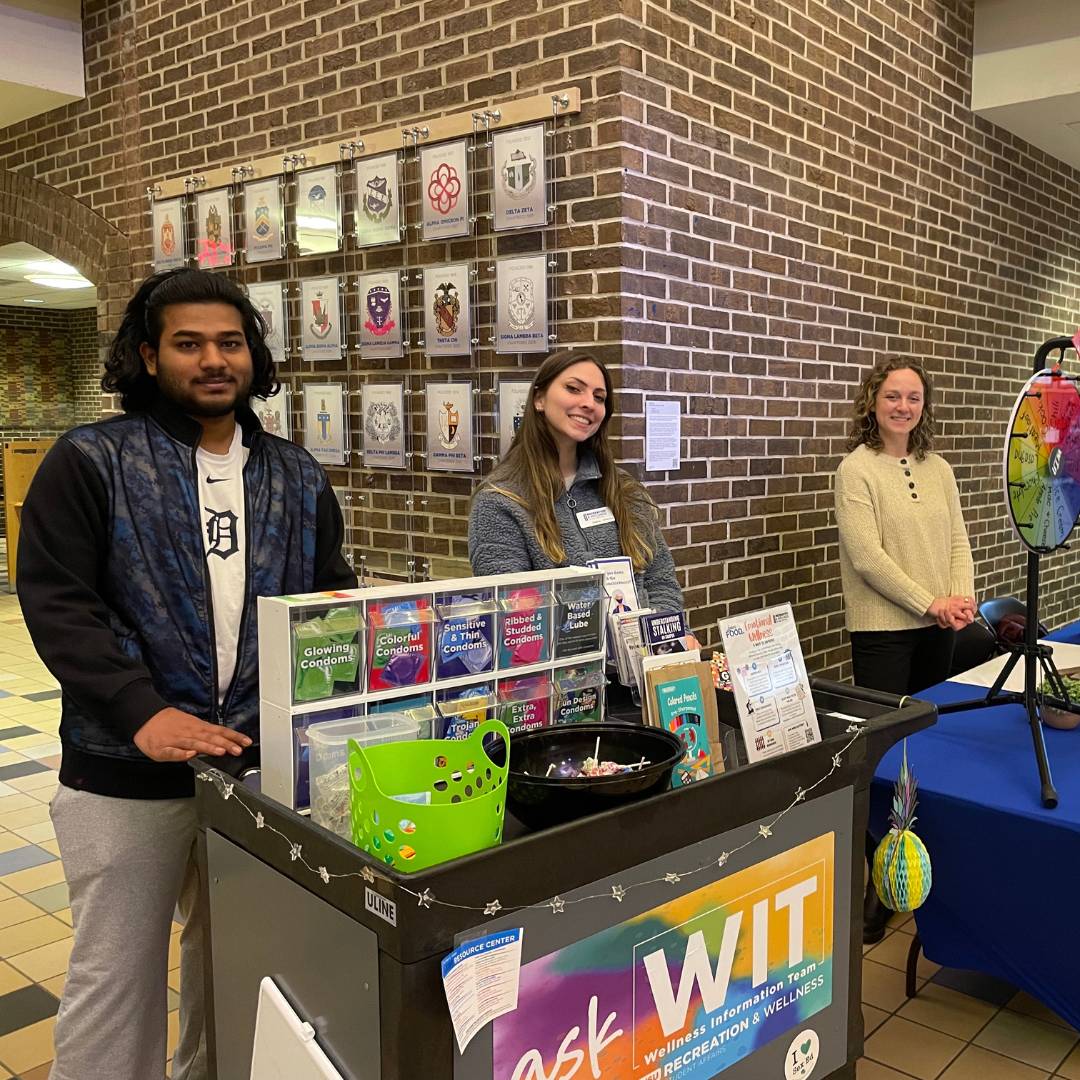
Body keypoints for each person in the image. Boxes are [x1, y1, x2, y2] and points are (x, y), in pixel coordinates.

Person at [17, 268, 356, 1080]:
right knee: (117, 977)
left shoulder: (297, 474)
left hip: (254, 771)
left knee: (236, 964)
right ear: (148, 354)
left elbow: (327, 605)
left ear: (253, 356)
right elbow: (60, 603)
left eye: (230, 343)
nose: (213, 360)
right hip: (125, 770)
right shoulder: (93, 460)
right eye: (189, 343)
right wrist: (141, 711)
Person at [835, 356, 975, 942]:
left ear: (924, 406)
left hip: (938, 627)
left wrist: (961, 598)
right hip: (884, 631)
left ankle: (913, 863)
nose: (903, 407)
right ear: (872, 402)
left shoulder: (937, 467)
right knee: (886, 757)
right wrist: (929, 601)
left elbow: (958, 540)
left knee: (926, 750)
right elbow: (868, 559)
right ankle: (878, 883)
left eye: (913, 397)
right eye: (892, 396)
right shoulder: (856, 470)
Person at [469, 352, 683, 613]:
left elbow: (661, 584)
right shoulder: (501, 500)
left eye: (599, 397)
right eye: (574, 389)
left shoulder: (624, 489)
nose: (589, 404)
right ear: (539, 398)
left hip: (640, 651)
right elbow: (512, 615)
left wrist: (666, 641)